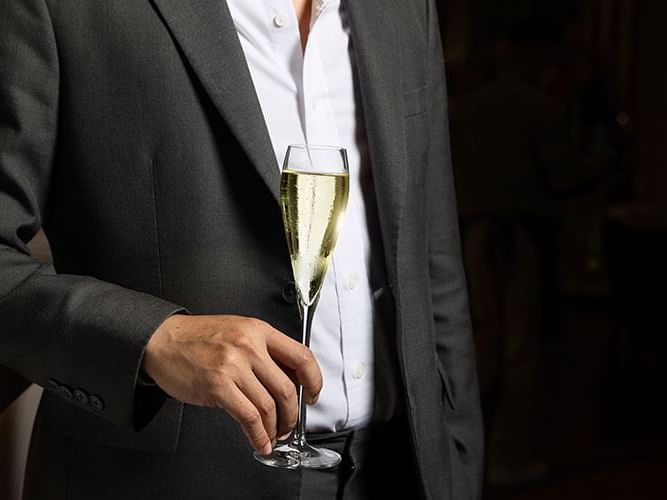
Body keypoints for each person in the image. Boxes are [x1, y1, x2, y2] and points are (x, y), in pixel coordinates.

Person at [0, 0, 483, 498]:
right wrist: (153, 339)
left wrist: (457, 463)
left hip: (400, 471)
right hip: (165, 482)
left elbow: (433, 263)